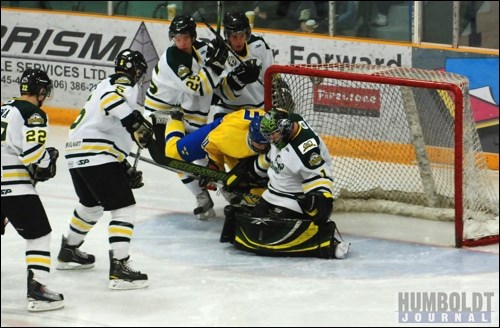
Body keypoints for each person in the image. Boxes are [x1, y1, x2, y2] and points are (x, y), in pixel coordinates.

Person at [56, 49, 153, 290]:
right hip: (96, 153)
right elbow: (112, 101)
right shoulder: (123, 82)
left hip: (76, 152)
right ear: (137, 71)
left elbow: (104, 126)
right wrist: (135, 124)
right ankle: (120, 267)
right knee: (124, 208)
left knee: (91, 204)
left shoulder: (103, 83)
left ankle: (69, 250)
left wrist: (121, 165)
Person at [220, 107, 350, 259]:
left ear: (285, 128)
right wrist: (249, 172)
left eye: (273, 135)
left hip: (292, 199)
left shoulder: (306, 149)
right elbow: (272, 157)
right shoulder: (284, 129)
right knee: (251, 220)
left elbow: (320, 175)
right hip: (272, 192)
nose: (271, 140)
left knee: (270, 232)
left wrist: (321, 198)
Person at [144, 15, 229, 219]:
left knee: (194, 150)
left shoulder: (199, 48)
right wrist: (216, 66)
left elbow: (214, 65)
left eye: (185, 38)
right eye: (177, 38)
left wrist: (222, 49)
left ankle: (224, 186)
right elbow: (198, 87)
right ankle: (204, 194)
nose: (181, 42)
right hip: (160, 112)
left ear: (193, 37)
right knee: (172, 154)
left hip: (179, 110)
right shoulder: (174, 58)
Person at [1, 69, 64, 311]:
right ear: (41, 91)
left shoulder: (5, 108)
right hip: (14, 185)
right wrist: (48, 160)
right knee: (39, 234)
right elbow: (33, 154)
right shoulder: (33, 113)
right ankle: (37, 290)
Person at [148, 108, 269, 215]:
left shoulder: (273, 134)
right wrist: (215, 169)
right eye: (259, 144)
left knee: (253, 189)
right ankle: (174, 117)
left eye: (266, 144)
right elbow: (211, 147)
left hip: (240, 137)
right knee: (172, 153)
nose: (263, 148)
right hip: (224, 132)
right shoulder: (225, 136)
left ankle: (231, 189)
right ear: (251, 136)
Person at [211, 11, 274, 118]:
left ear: (247, 33)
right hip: (227, 109)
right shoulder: (218, 52)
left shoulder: (258, 43)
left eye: (241, 35)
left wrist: (277, 88)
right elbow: (216, 91)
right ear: (227, 35)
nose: (238, 41)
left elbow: (269, 75)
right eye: (234, 37)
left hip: (258, 107)